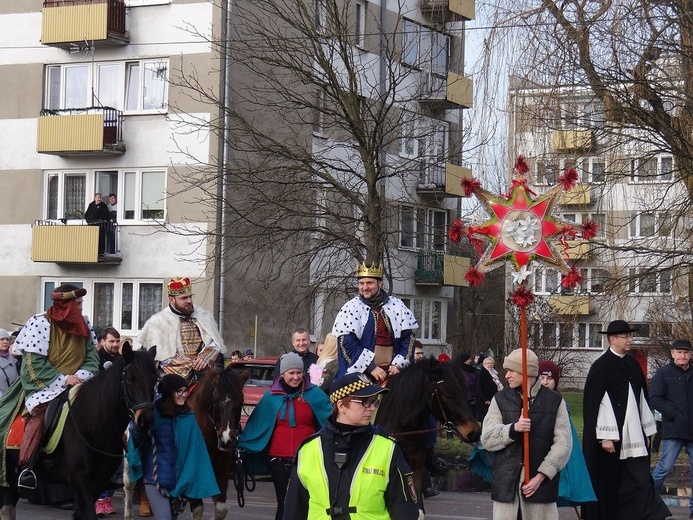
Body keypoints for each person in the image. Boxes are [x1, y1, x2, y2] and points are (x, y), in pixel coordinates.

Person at [0, 285, 100, 490]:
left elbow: (91, 356)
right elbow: (32, 366)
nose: (81, 308)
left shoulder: (84, 322)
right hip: (46, 385)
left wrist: (80, 376)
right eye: (78, 304)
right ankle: (26, 468)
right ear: (65, 305)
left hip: (80, 382)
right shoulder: (40, 323)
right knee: (38, 414)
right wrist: (64, 379)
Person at [282, 372, 420, 520]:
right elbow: (293, 510)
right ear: (341, 406)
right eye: (365, 401)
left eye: (374, 401)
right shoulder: (309, 449)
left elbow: (405, 510)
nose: (372, 408)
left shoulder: (387, 447)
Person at [582, 320, 670, 520]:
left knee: (636, 480)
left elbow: (641, 399)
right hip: (610, 442)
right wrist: (604, 437)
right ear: (612, 340)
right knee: (611, 481)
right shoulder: (600, 367)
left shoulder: (632, 364)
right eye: (626, 337)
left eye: (630, 336)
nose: (630, 340)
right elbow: (596, 405)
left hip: (633, 438)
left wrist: (644, 431)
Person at [480, 348, 571, 520]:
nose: (506, 375)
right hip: (507, 489)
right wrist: (513, 429)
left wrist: (541, 476)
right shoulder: (499, 399)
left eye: (511, 370)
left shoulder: (554, 401)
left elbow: (563, 444)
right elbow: (487, 439)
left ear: (526, 371)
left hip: (541, 491)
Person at [239, 352, 331, 520]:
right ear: (283, 374)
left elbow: (331, 420)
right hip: (279, 458)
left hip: (308, 457)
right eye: (291, 373)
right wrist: (241, 446)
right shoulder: (271, 396)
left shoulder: (314, 393)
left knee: (308, 501)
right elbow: (257, 424)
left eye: (299, 373)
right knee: (284, 502)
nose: (296, 377)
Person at [126, 374, 219, 520]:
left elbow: (196, 451)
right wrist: (139, 428)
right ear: (169, 392)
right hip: (155, 480)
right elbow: (136, 444)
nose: (184, 395)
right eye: (179, 391)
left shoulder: (188, 417)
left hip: (179, 483)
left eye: (185, 391)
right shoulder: (152, 416)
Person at [332, 261, 418, 382]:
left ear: (380, 283)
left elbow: (408, 339)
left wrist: (399, 364)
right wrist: (371, 367)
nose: (364, 287)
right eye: (361, 283)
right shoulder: (351, 308)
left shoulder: (397, 306)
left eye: (369, 283)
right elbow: (347, 344)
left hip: (393, 374)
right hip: (361, 375)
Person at [138, 277, 226, 380]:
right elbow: (162, 356)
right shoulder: (158, 322)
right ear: (171, 300)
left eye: (190, 297)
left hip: (205, 376)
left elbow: (215, 343)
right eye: (184, 298)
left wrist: (204, 358)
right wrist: (190, 365)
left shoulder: (204, 316)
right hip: (173, 381)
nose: (189, 301)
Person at [537, 360, 596, 507]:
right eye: (541, 378)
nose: (545, 382)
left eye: (549, 379)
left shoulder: (560, 404)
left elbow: (569, 442)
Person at [650, 339, 693, 517]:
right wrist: (673, 413)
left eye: (686, 352)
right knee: (664, 468)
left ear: (690, 355)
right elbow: (654, 398)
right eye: (679, 352)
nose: (682, 356)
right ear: (672, 353)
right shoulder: (663, 373)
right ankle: (648, 502)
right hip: (674, 429)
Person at [476, 356, 503, 422]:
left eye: (491, 363)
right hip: (485, 400)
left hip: (493, 397)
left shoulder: (495, 373)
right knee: (485, 418)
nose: (490, 365)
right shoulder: (482, 373)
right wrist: (485, 399)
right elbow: (479, 387)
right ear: (484, 364)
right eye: (488, 363)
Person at [84, 192, 111, 257]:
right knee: (92, 238)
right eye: (98, 198)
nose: (99, 199)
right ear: (95, 198)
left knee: (100, 238)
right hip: (91, 224)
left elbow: (105, 215)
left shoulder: (103, 205)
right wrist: (87, 219)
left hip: (100, 225)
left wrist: (100, 219)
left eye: (100, 198)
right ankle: (92, 251)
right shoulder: (91, 205)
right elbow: (87, 213)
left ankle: (101, 252)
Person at [0, 329, 19, 396]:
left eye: (7, 339)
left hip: (13, 398)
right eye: (2, 339)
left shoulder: (13, 360)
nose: (5, 341)